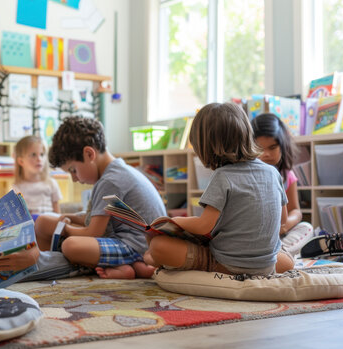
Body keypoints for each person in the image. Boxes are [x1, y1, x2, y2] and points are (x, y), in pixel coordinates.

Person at [144, 103, 294, 275]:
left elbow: (203, 227)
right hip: (266, 265)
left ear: (206, 148)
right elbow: (283, 220)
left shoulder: (223, 176)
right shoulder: (273, 172)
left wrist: (171, 221)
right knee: (285, 258)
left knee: (158, 246)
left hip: (227, 265)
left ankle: (154, 259)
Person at [33, 117, 167, 279]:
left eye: (73, 170)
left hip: (136, 246)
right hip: (133, 241)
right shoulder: (115, 172)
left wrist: (66, 229)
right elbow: (97, 219)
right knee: (43, 221)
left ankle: (124, 266)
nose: (74, 178)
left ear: (89, 154)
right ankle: (128, 266)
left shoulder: (110, 181)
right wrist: (73, 217)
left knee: (71, 245)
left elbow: (93, 232)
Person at [252, 113, 313, 256]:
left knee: (306, 228)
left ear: (282, 145)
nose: (266, 154)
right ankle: (275, 255)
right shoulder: (248, 175)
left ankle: (278, 254)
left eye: (272, 147)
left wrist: (284, 227)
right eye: (260, 149)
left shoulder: (287, 175)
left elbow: (296, 211)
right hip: (252, 236)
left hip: (279, 235)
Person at [12, 135, 63, 217]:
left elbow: (58, 214)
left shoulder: (51, 183)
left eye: (42, 155)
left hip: (50, 223)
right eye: (33, 155)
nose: (39, 159)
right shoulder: (17, 187)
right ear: (21, 161)